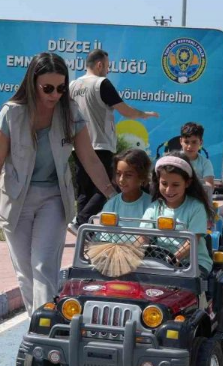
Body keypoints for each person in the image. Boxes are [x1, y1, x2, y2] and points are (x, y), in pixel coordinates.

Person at [0, 52, 117, 316]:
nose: (55, 94)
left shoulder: (71, 114)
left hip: (53, 198)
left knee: (43, 265)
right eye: (48, 88)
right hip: (15, 200)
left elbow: (90, 159)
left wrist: (113, 195)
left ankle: (44, 327)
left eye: (61, 88)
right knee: (25, 271)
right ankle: (37, 323)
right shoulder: (11, 113)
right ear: (32, 83)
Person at [68, 49, 159, 235]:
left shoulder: (72, 85)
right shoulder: (101, 83)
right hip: (100, 145)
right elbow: (125, 111)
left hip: (78, 146)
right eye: (108, 66)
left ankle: (85, 231)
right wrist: (144, 115)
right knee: (109, 187)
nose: (108, 70)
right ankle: (81, 222)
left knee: (85, 191)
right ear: (100, 65)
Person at [141, 151, 215, 277]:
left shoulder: (196, 207)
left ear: (187, 183)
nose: (169, 190)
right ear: (158, 180)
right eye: (164, 184)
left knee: (185, 284)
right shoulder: (154, 208)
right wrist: (134, 254)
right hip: (161, 263)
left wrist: (173, 260)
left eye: (175, 185)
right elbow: (143, 237)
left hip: (194, 263)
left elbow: (192, 241)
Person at [102, 148, 152, 225]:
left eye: (128, 175)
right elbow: (104, 235)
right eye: (118, 174)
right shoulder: (111, 205)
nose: (121, 180)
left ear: (142, 176)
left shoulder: (152, 205)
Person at [179, 122, 214, 189]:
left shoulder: (205, 163)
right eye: (186, 142)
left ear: (201, 142)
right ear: (181, 141)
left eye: (194, 142)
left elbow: (210, 187)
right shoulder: (173, 160)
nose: (189, 146)